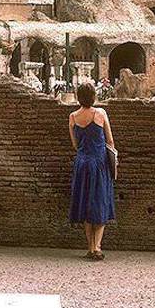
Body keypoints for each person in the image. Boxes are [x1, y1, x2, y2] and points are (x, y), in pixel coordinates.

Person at [68, 81, 116, 260]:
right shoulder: (100, 113)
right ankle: (97, 247)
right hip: (99, 163)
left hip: (82, 164)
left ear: (78, 97)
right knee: (100, 201)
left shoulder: (73, 117)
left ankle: (90, 247)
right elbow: (110, 141)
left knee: (86, 203)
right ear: (94, 96)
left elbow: (75, 145)